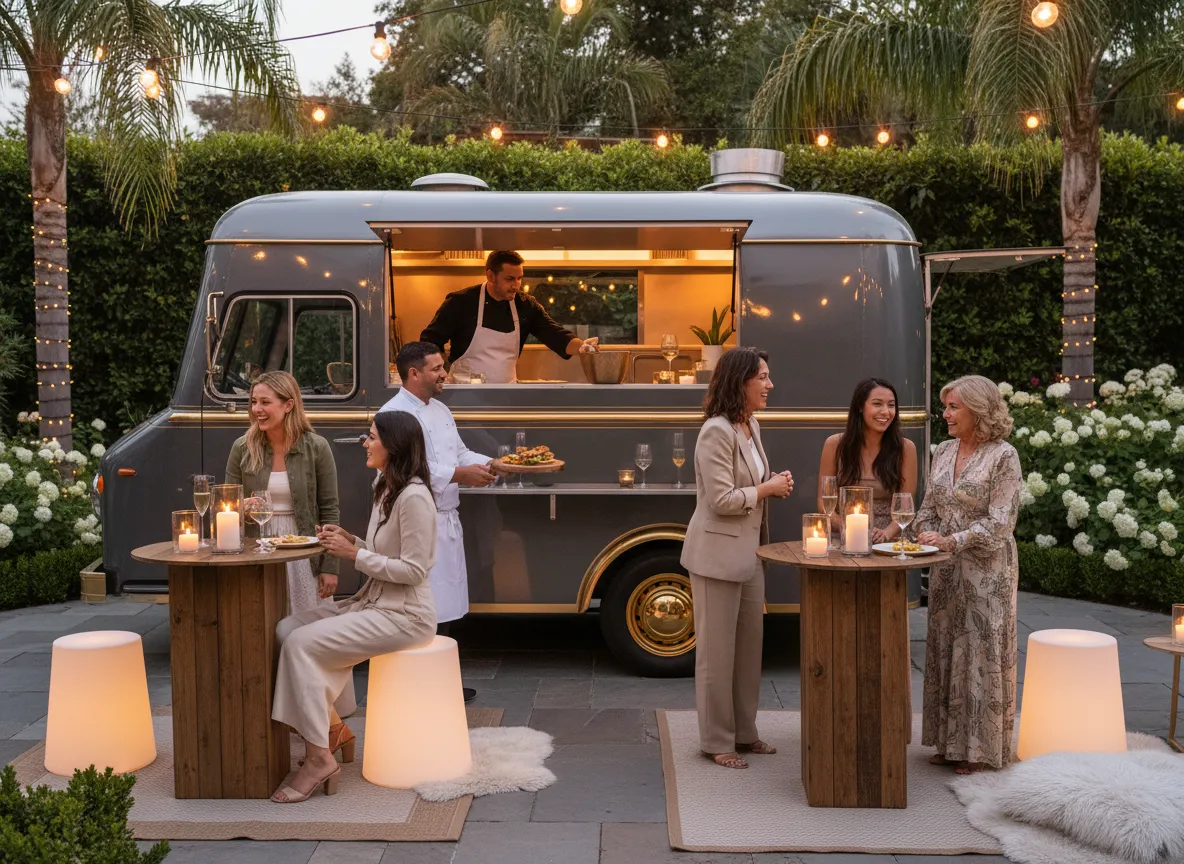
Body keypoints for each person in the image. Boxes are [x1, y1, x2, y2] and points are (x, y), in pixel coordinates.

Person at [270, 411, 438, 803]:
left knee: (301, 645)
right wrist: (353, 541)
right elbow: (384, 553)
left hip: (405, 616)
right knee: (285, 629)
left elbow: (414, 570)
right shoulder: (386, 485)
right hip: (374, 603)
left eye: (373, 436)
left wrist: (354, 556)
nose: (366, 442)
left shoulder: (414, 497)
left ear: (393, 446)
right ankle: (331, 730)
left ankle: (317, 759)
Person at [680, 347, 793, 770]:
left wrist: (773, 482)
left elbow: (752, 483)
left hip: (749, 555)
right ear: (740, 381)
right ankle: (716, 741)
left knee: (749, 650)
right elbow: (723, 499)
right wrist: (767, 490)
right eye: (762, 377)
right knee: (716, 653)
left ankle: (746, 733)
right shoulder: (716, 430)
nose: (769, 385)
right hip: (715, 556)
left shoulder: (751, 425)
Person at [225, 371, 356, 716]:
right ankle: (274, 708)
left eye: (265, 402)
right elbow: (227, 503)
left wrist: (330, 565)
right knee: (265, 629)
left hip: (303, 551)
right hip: (261, 549)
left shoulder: (316, 447)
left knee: (309, 631)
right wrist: (241, 509)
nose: (256, 409)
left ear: (289, 404)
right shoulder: (243, 447)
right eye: (253, 402)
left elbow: (330, 508)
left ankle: (325, 714)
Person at [914, 375, 1022, 774]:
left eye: (953, 407)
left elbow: (1000, 523)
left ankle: (978, 749)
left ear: (977, 410)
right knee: (945, 646)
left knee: (978, 649)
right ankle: (947, 742)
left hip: (986, 570)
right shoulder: (943, 449)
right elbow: (927, 507)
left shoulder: (1003, 456)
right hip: (944, 569)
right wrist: (917, 533)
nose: (945, 414)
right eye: (946, 407)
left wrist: (953, 539)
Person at [379, 341, 495, 702]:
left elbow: (459, 453)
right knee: (421, 605)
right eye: (437, 368)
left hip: (446, 517)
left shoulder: (441, 409)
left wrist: (495, 463)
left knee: (444, 604)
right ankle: (421, 683)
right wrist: (460, 474)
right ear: (413, 374)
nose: (445, 373)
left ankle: (441, 680)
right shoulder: (393, 414)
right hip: (416, 520)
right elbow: (406, 469)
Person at [420, 250, 599, 384]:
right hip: (464, 395)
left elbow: (554, 334)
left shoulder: (525, 305)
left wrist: (583, 347)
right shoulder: (461, 302)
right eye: (509, 279)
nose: (516, 285)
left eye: (520, 278)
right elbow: (430, 341)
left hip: (506, 394)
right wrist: (438, 372)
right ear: (490, 276)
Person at [817, 377, 918, 544]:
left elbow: (907, 507)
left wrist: (886, 533)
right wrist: (848, 528)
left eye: (891, 405)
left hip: (888, 543)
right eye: (877, 404)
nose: (886, 412)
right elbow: (823, 503)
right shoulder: (834, 445)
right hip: (845, 539)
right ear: (860, 407)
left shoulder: (906, 448)